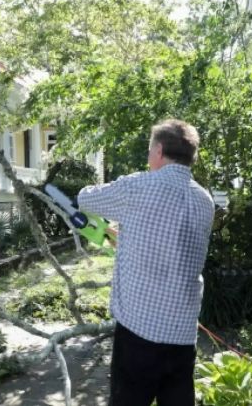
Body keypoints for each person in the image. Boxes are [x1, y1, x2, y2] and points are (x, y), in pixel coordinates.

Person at [77, 119, 214, 406]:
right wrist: (128, 235)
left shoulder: (139, 186)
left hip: (140, 334)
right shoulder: (204, 200)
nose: (148, 154)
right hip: (182, 335)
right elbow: (173, 246)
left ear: (160, 150)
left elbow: (85, 199)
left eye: (150, 148)